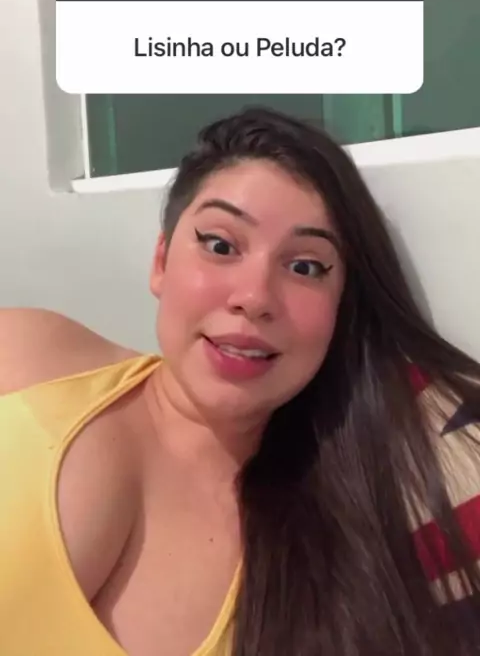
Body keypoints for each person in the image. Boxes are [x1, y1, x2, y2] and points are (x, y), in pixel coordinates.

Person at [0, 106, 479, 656]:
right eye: (221, 245)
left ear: (339, 311)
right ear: (161, 262)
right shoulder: (26, 351)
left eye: (305, 267)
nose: (254, 297)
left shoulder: (321, 577)